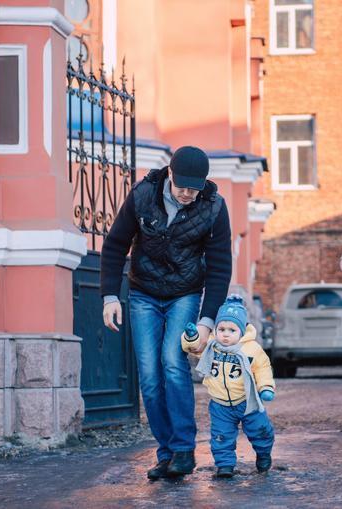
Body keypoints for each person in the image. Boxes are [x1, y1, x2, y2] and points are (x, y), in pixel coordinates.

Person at [100, 146, 232, 480]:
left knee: (173, 364)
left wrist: (206, 322)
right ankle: (166, 451)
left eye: (195, 188)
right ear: (169, 174)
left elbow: (220, 268)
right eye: (182, 186)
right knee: (149, 373)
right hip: (143, 293)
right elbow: (115, 244)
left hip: (184, 294)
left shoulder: (214, 207)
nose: (188, 194)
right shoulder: (143, 194)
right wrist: (109, 297)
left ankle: (184, 450)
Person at [182, 295, 276, 479]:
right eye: (221, 329)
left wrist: (266, 387)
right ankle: (225, 465)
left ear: (241, 332)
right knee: (221, 435)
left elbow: (263, 367)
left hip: (247, 401)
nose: (225, 334)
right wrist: (191, 337)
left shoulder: (251, 349)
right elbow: (193, 348)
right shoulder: (211, 346)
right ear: (215, 329)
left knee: (261, 431)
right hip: (220, 404)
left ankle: (264, 454)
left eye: (231, 330)